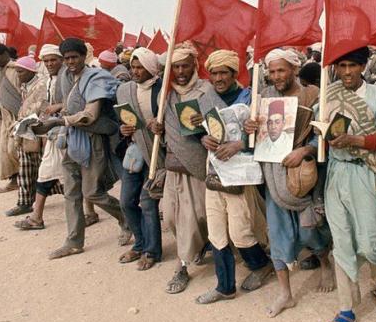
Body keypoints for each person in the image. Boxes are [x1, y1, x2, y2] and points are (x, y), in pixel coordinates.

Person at [244, 48, 333, 318]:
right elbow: (257, 139)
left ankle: (324, 261)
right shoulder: (264, 99)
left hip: (303, 180)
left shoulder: (313, 96)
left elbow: (324, 135)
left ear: (294, 69)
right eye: (271, 71)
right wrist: (251, 128)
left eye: (281, 70)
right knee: (279, 235)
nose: (275, 76)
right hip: (274, 178)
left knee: (309, 232)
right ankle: (285, 293)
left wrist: (305, 151)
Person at [320, 47, 376, 322]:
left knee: (369, 242)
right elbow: (314, 132)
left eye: (352, 65)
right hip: (336, 171)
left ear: (364, 66)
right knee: (341, 240)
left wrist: (354, 139)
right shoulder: (327, 94)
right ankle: (346, 309)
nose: (346, 72)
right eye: (341, 66)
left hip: (367, 171)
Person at [195, 49, 272, 304]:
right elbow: (202, 130)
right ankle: (224, 287)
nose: (218, 77)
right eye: (214, 73)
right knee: (216, 231)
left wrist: (239, 144)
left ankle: (261, 265)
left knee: (240, 232)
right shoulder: (205, 98)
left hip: (241, 174)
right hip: (215, 172)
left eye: (223, 72)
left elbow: (265, 134)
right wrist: (202, 137)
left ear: (233, 73)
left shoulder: (250, 97)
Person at [47, 38, 127, 260]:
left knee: (92, 192)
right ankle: (74, 242)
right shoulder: (65, 77)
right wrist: (58, 112)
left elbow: (90, 114)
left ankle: (126, 218)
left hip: (93, 140)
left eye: (75, 57)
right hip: (72, 139)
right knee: (71, 193)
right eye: (67, 58)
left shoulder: (95, 78)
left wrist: (59, 122)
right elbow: (71, 104)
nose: (71, 61)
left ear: (84, 57)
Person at [148, 43, 213, 294]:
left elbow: (220, 123)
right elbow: (162, 123)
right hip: (174, 164)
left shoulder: (205, 90)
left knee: (196, 216)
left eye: (185, 65)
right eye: (176, 67)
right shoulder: (166, 92)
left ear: (194, 65)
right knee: (173, 217)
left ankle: (182, 267)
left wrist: (205, 122)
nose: (181, 71)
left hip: (197, 163)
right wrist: (156, 125)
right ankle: (196, 247)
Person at [115, 47, 165, 271]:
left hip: (156, 152)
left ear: (151, 68)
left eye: (140, 68)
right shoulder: (125, 90)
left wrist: (159, 127)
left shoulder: (163, 89)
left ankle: (152, 250)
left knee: (147, 202)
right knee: (126, 201)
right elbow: (123, 118)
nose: (135, 71)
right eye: (133, 67)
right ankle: (140, 242)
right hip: (135, 151)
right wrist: (123, 130)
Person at [14, 44, 65, 230]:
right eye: (46, 61)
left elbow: (76, 102)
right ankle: (36, 217)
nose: (50, 63)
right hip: (53, 134)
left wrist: (59, 107)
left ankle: (95, 212)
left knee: (74, 177)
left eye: (53, 60)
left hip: (66, 132)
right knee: (47, 173)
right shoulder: (51, 80)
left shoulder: (65, 79)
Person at [5, 56, 51, 217]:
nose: (18, 75)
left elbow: (41, 108)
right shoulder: (26, 86)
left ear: (31, 71)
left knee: (42, 168)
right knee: (25, 167)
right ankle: (24, 202)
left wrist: (24, 120)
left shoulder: (42, 86)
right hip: (26, 132)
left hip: (38, 131)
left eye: (21, 71)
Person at [0, 44, 22, 193]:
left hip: (19, 115)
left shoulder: (16, 69)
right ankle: (14, 179)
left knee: (15, 149)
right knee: (5, 150)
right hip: (6, 115)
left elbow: (22, 92)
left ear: (5, 54)